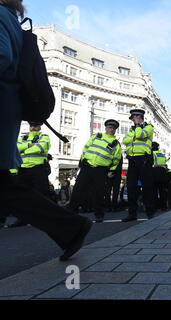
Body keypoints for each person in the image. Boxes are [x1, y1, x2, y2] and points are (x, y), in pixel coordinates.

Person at [0, 0, 91, 261]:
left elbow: (2, 55)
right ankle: (70, 227)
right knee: (5, 187)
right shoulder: (11, 20)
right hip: (8, 106)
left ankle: (71, 226)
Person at [68, 120, 122, 223]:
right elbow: (86, 148)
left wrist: (111, 170)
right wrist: (83, 160)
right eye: (109, 127)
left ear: (115, 130)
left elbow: (116, 159)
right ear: (105, 128)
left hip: (101, 170)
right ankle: (71, 211)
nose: (111, 129)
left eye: (113, 128)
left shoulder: (116, 144)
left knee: (99, 193)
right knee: (78, 189)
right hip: (87, 167)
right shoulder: (96, 136)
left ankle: (99, 214)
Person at [8, 121, 52, 228]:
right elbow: (15, 149)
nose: (32, 127)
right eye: (31, 125)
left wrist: (24, 150)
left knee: (42, 194)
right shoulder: (23, 138)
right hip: (23, 170)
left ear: (40, 127)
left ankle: (44, 218)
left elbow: (40, 148)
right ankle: (22, 219)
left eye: (35, 125)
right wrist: (29, 145)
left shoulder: (44, 137)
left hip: (38, 169)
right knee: (22, 196)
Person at [122, 109, 154, 222]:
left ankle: (150, 212)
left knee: (147, 187)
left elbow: (140, 134)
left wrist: (138, 127)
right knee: (131, 187)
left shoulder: (149, 127)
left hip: (144, 159)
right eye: (132, 119)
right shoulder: (131, 130)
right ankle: (132, 214)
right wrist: (134, 137)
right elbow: (125, 141)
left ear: (139, 117)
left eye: (134, 118)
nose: (132, 120)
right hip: (132, 160)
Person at [152, 142, 168, 212]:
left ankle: (155, 206)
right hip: (163, 172)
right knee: (162, 191)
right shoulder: (162, 154)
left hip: (155, 172)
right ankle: (163, 207)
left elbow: (150, 164)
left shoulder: (152, 154)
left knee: (154, 191)